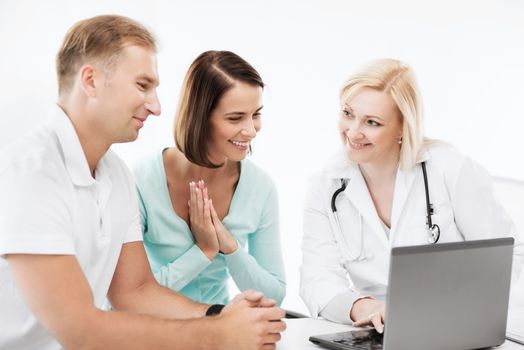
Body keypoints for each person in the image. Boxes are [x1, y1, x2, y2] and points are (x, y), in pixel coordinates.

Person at [0, 15, 285, 350]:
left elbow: (135, 292)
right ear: (91, 81)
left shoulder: (116, 174)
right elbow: (79, 329)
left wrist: (219, 315)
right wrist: (217, 335)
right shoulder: (32, 171)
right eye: (142, 86)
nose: (157, 107)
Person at [299, 58, 524, 333]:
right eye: (348, 113)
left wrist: (463, 310)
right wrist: (365, 308)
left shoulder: (451, 171)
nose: (353, 132)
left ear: (403, 129)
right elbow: (317, 279)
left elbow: (508, 254)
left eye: (372, 122)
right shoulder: (326, 185)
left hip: (455, 326)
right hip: (378, 330)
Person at [133, 50, 286, 306]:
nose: (251, 130)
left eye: (256, 114)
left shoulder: (260, 187)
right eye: (236, 117)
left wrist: (230, 246)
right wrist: (203, 252)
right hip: (152, 331)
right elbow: (129, 295)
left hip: (218, 327)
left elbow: (274, 294)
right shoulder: (142, 180)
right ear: (200, 117)